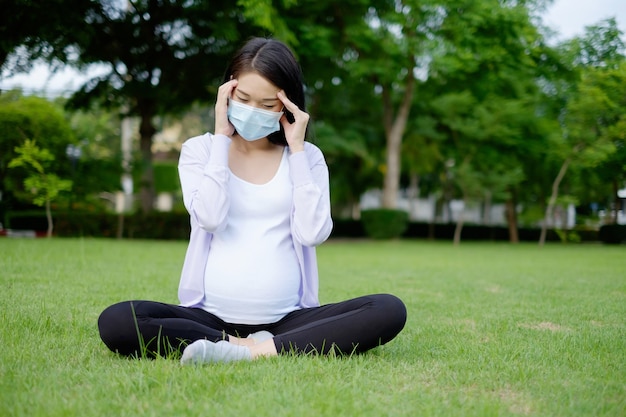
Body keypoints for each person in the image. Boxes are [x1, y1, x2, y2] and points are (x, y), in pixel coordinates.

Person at [97, 37, 407, 364]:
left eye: (267, 104)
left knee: (388, 309)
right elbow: (210, 217)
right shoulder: (200, 150)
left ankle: (259, 349)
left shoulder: (308, 158)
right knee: (117, 321)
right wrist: (221, 138)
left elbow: (312, 233)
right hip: (210, 318)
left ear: (287, 105)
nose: (252, 111)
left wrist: (298, 149)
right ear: (226, 92)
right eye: (243, 99)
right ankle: (235, 344)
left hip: (288, 320)